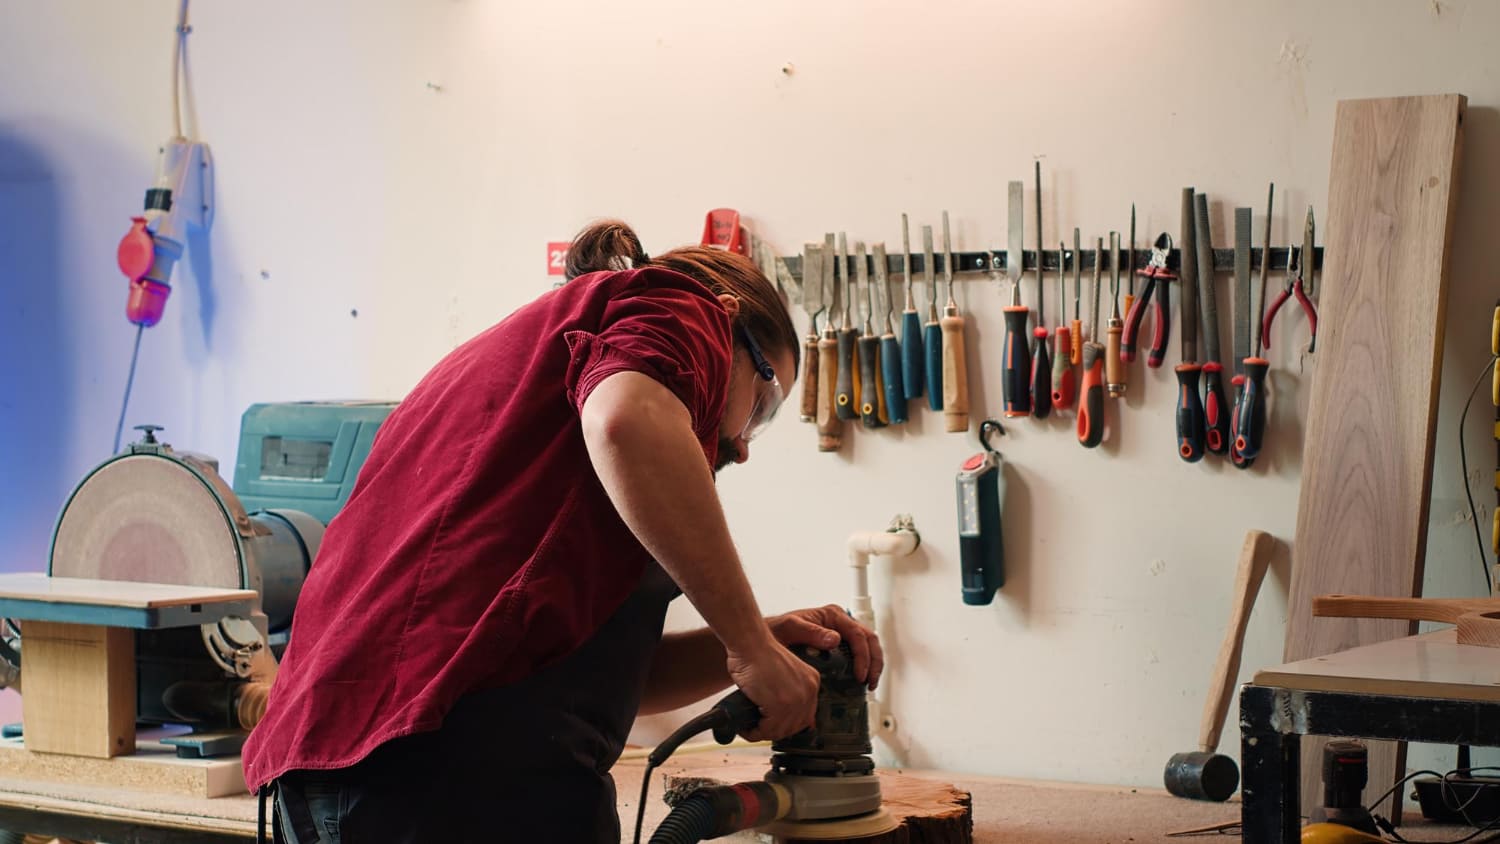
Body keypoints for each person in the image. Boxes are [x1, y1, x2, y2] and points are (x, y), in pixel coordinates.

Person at [242, 219, 884, 843]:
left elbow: (583, 675)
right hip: (440, 778)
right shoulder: (682, 309)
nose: (742, 447)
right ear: (725, 318)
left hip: (371, 773)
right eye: (763, 406)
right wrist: (749, 646)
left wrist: (756, 646)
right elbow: (625, 420)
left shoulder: (542, 381)